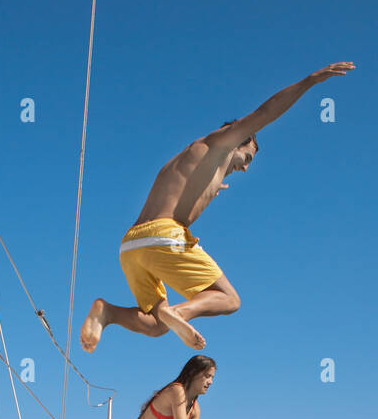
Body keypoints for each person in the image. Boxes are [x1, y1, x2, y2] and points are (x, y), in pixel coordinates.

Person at [81, 62, 355, 354]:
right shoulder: (219, 143)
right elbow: (266, 113)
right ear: (237, 139)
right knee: (229, 299)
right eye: (248, 157)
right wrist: (309, 81)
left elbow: (188, 188)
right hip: (163, 237)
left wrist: (214, 188)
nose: (246, 168)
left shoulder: (192, 162)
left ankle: (106, 312)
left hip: (131, 246)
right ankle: (181, 314)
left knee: (157, 325)